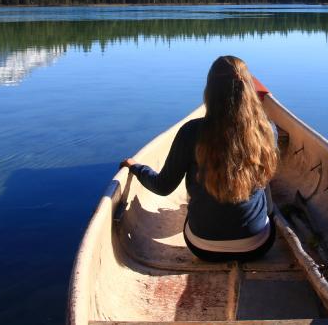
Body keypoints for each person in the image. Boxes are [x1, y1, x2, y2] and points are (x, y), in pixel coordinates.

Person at [120, 55, 279, 262]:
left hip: (203, 247)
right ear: (248, 90)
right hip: (257, 246)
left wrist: (137, 168)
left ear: (210, 92)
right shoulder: (267, 130)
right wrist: (270, 214)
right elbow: (265, 187)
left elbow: (163, 187)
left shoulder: (191, 132)